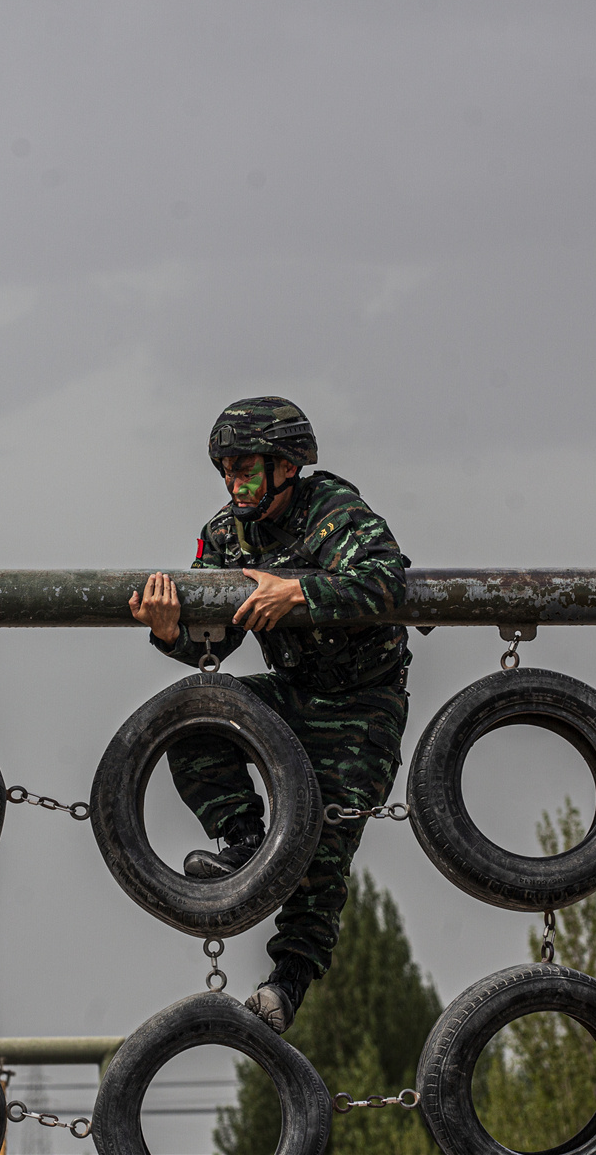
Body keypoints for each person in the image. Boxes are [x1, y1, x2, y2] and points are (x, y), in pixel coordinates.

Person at [128, 396, 411, 1033]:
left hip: (362, 705)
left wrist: (302, 590)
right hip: (292, 691)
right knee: (195, 717)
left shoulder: (333, 510)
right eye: (226, 469)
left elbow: (390, 581)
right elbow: (213, 643)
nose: (235, 482)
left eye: (246, 468)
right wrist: (173, 631)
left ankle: (288, 980)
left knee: (325, 848)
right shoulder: (227, 534)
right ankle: (244, 840)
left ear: (287, 466)